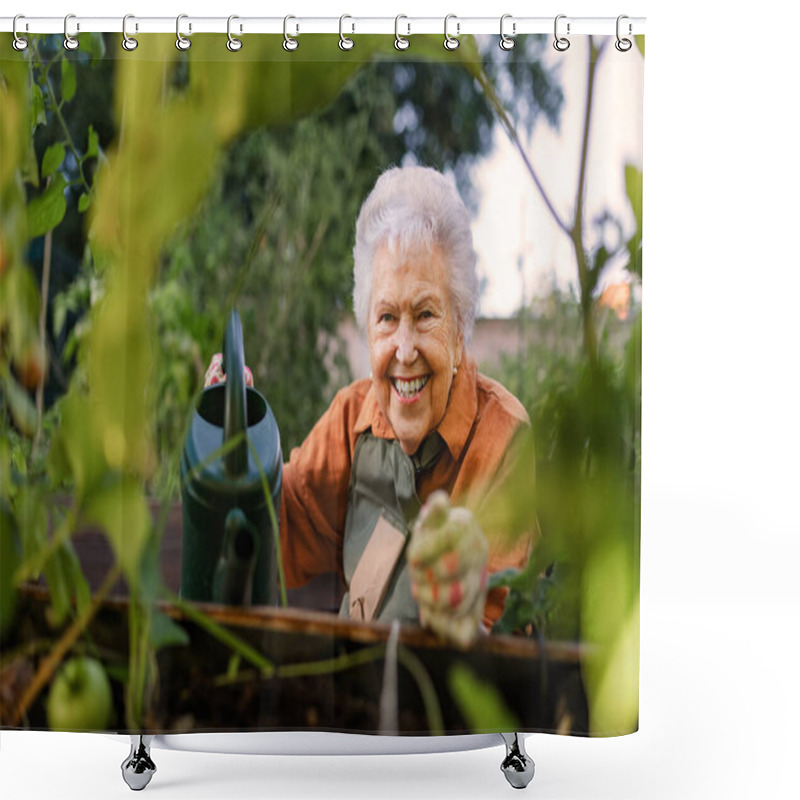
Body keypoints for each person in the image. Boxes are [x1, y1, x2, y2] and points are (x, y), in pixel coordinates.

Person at [210, 166, 534, 647]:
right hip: (349, 705)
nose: (404, 350)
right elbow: (275, 531)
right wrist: (231, 441)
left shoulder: (503, 440)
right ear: (367, 326)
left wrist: (462, 605)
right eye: (387, 318)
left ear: (461, 325)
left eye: (425, 315)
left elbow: (503, 632)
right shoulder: (351, 421)